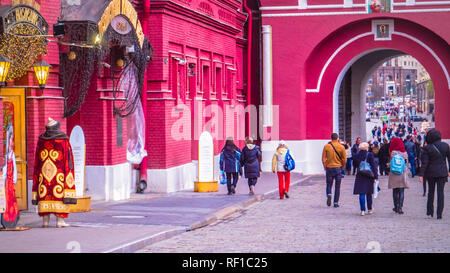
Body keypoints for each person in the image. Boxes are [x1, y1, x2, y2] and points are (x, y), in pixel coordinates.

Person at [32, 118, 76, 228]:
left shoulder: (41, 140)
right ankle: (60, 221)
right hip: (58, 174)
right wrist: (69, 172)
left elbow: (37, 159)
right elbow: (68, 159)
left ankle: (45, 222)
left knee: (45, 194)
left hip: (44, 174)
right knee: (59, 195)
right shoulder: (63, 140)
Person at [418, 129, 450, 219]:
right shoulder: (446, 146)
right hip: (442, 172)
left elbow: (425, 163)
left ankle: (430, 211)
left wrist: (421, 174)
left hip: (430, 173)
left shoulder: (427, 148)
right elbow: (449, 159)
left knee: (430, 192)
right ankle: (439, 214)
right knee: (441, 193)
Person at [1, 124, 20, 229]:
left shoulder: (11, 154)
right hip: (3, 181)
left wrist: (14, 179)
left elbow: (14, 168)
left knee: (9, 201)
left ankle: (10, 219)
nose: (11, 144)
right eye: (10, 141)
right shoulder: (5, 155)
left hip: (8, 182)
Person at [353, 142, 378, 216]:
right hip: (369, 175)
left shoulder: (357, 155)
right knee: (368, 192)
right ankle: (369, 209)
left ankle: (362, 210)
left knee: (361, 193)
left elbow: (355, 165)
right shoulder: (369, 154)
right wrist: (375, 176)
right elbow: (373, 166)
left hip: (360, 174)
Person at [321, 133, 347, 207]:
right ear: (337, 138)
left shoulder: (326, 146)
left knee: (329, 184)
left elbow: (323, 158)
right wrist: (342, 166)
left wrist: (325, 166)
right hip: (338, 168)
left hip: (329, 167)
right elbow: (344, 159)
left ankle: (329, 194)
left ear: (331, 138)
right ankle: (336, 202)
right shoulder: (341, 147)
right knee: (337, 186)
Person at [388, 137, 409, 215]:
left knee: (395, 190)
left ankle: (396, 206)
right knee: (401, 191)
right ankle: (400, 207)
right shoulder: (404, 153)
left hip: (394, 173)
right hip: (402, 173)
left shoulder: (393, 153)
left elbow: (390, 163)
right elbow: (406, 163)